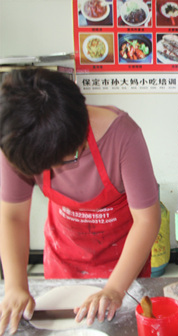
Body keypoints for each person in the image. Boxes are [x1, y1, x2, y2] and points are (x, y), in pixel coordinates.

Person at [0, 68, 160, 334]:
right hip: (64, 257)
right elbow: (12, 216)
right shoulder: (17, 137)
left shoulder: (123, 136)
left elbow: (147, 220)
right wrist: (16, 286)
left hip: (122, 263)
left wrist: (114, 289)